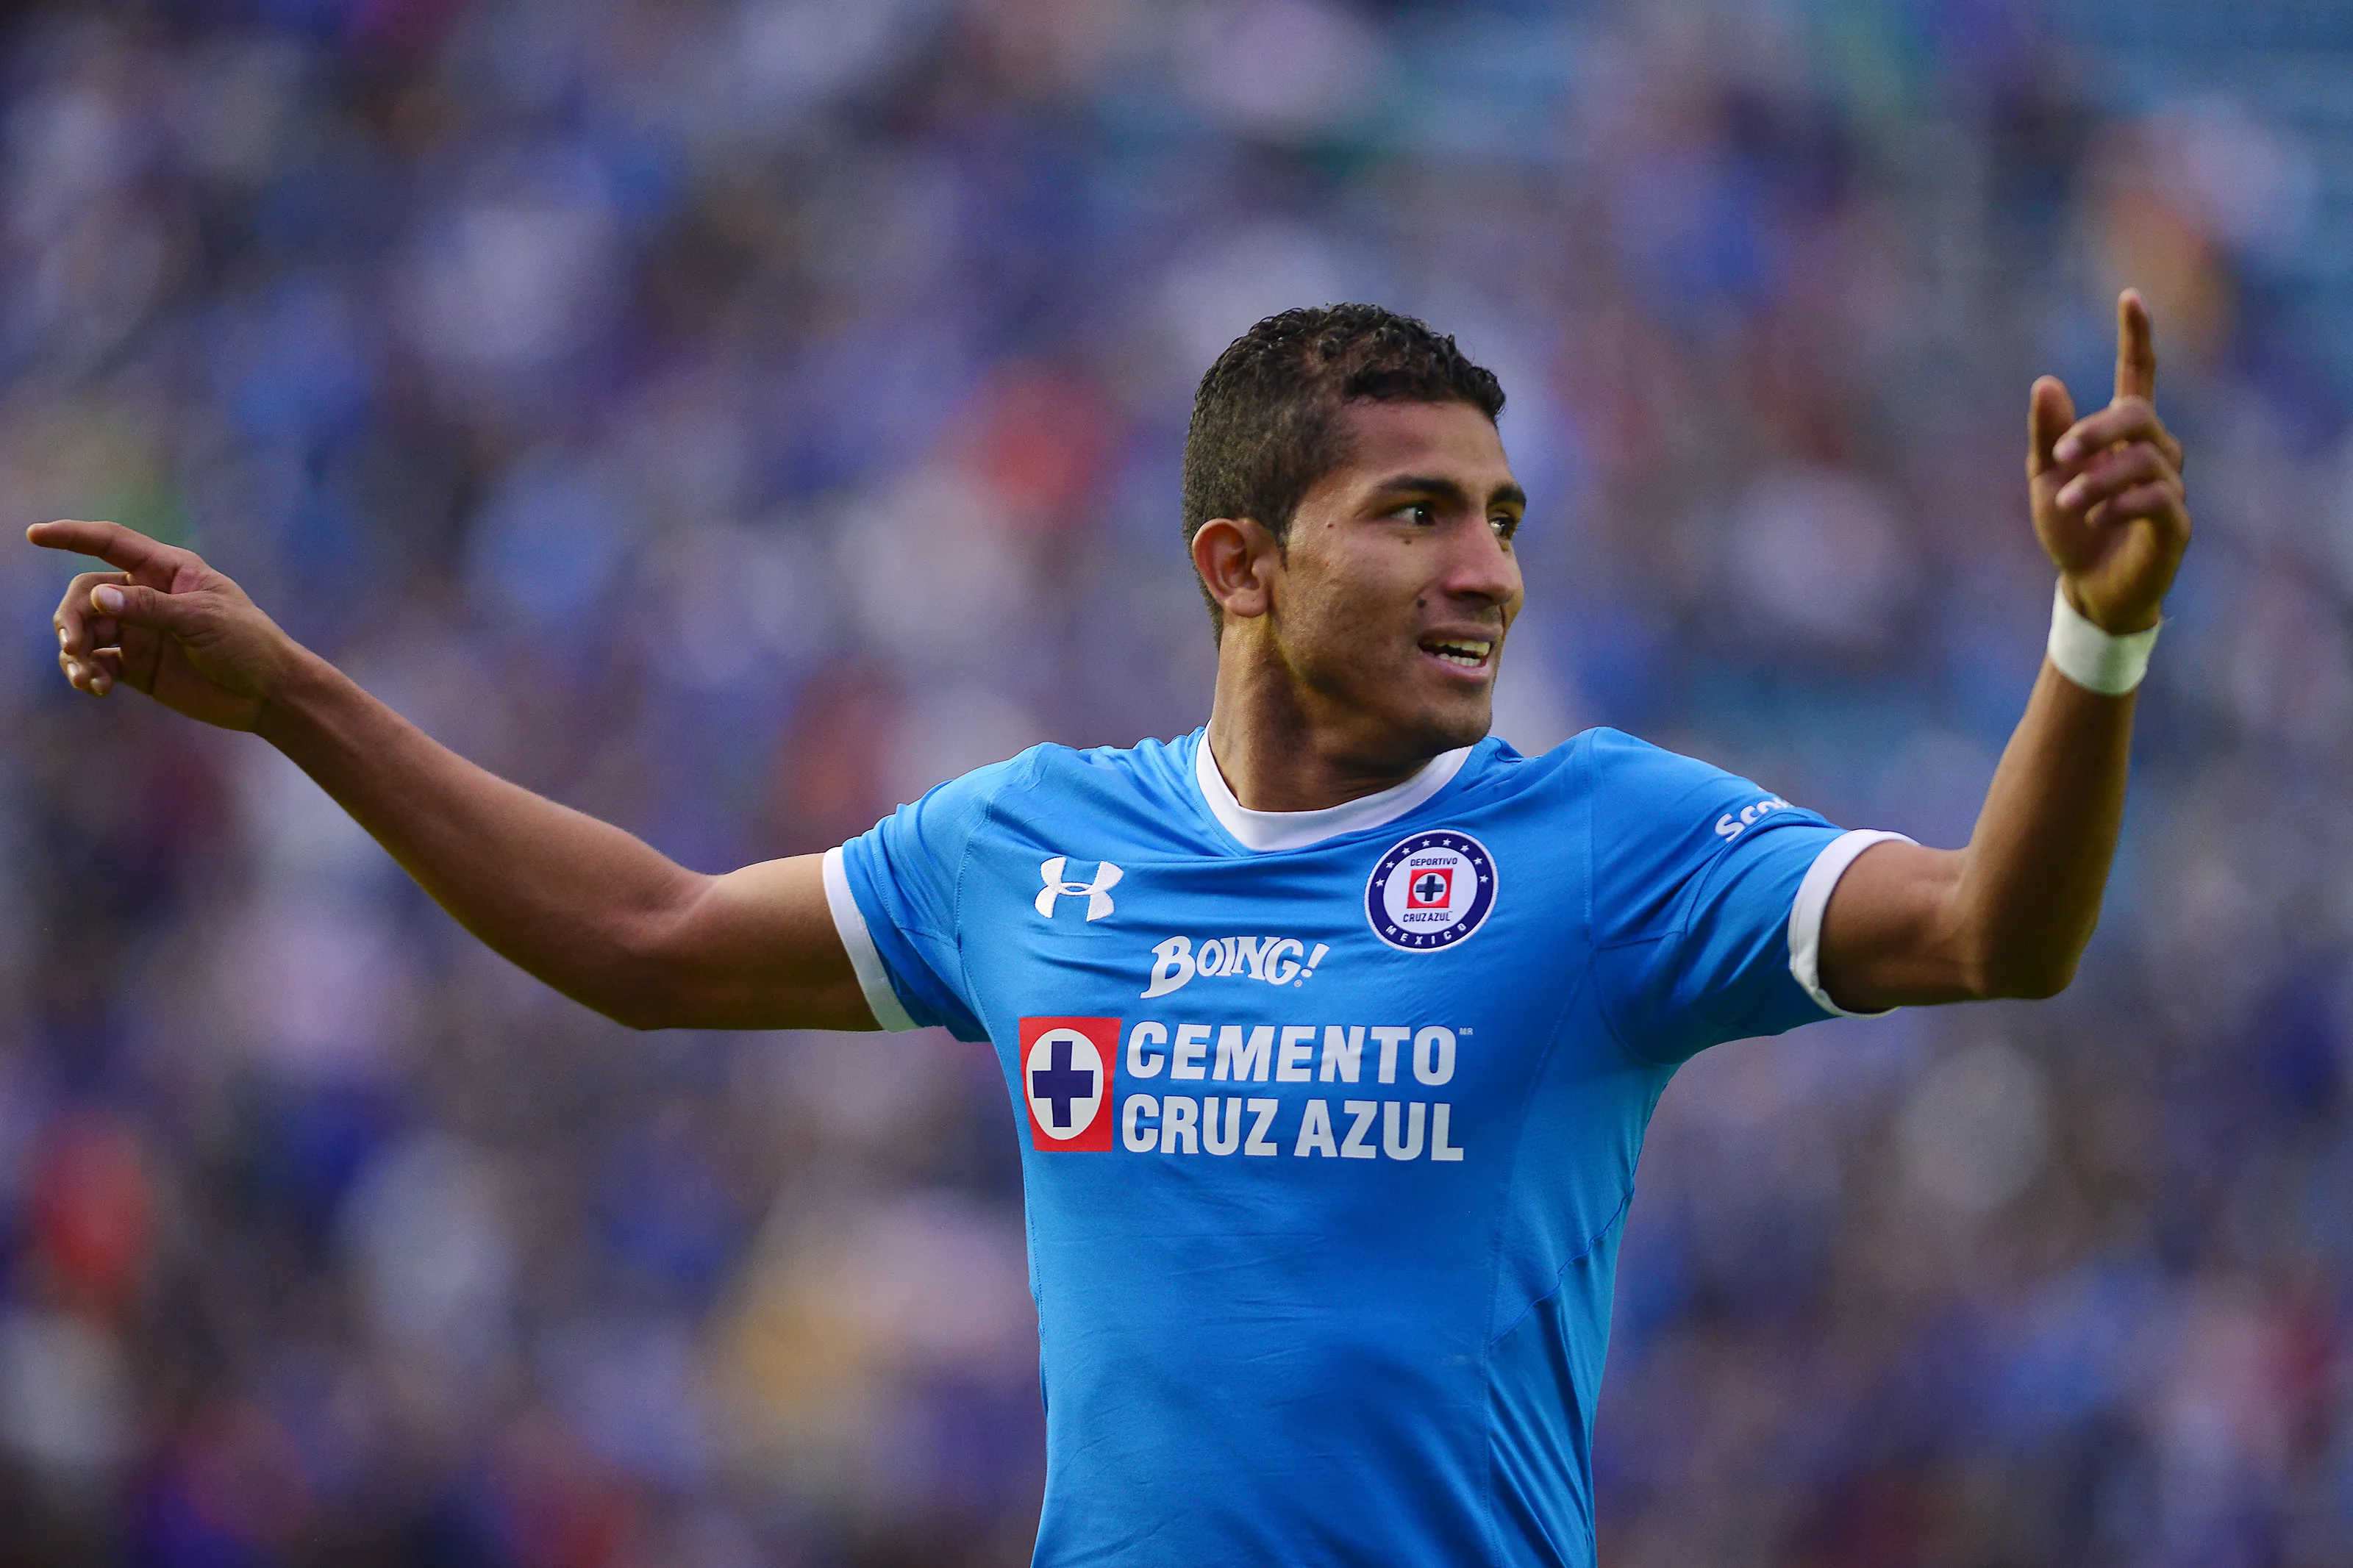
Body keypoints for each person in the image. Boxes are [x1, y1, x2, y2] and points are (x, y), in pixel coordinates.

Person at [32, 296, 2188, 1565]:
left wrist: (2092, 647)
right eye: (1417, 512)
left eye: (1505, 518)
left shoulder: (1608, 842)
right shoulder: (1033, 849)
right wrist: (299, 698)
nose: (1491, 573)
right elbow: (654, 936)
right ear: (1239, 560)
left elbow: (1998, 931)